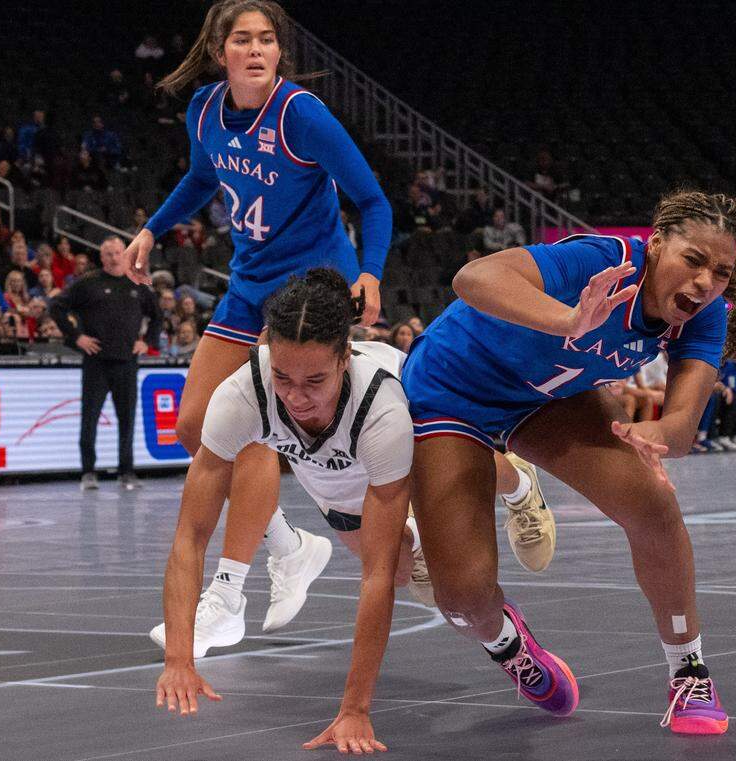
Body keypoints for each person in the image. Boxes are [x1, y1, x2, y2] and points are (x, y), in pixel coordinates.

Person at [152, 270, 553, 755]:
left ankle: (519, 485)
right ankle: (418, 542)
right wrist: (178, 657)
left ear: (345, 357)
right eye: (284, 377)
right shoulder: (240, 396)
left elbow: (372, 576)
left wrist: (355, 710)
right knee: (406, 573)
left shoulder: (384, 409)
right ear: (266, 351)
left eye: (314, 380)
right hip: (334, 478)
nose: (297, 397)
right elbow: (189, 538)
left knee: (449, 577)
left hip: (408, 436)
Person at [400, 191, 736, 735]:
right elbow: (472, 278)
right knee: (461, 598)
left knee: (654, 503)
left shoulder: (703, 318)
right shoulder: (603, 262)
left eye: (721, 271)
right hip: (451, 392)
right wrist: (568, 318)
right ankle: (508, 645)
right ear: (657, 244)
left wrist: (653, 432)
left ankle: (689, 671)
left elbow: (681, 429)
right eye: (694, 260)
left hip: (547, 403)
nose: (706, 281)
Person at [122, 0, 394, 638]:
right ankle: (293, 547)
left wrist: (371, 272)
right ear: (221, 53)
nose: (255, 50)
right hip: (249, 285)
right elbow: (199, 178)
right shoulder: (206, 110)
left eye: (266, 40)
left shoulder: (302, 115)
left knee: (251, 433)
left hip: (309, 288)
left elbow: (373, 198)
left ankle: (229, 594)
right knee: (196, 427)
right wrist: (150, 229)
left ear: (278, 54)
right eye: (242, 40)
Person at [49, 237, 162, 489]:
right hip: (96, 363)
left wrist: (147, 342)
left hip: (126, 362)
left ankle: (127, 472)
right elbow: (56, 306)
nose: (113, 257)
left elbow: (157, 316)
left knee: (127, 419)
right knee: (89, 417)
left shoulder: (137, 285)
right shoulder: (88, 283)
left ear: (126, 254)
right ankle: (88, 472)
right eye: (108, 253)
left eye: (118, 253)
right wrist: (76, 336)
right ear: (101, 257)